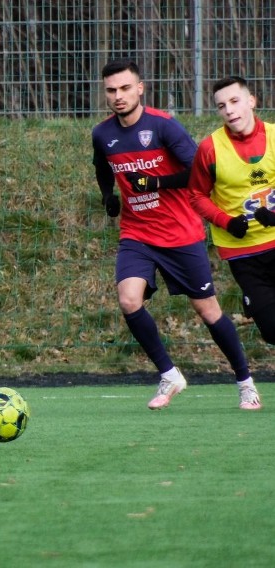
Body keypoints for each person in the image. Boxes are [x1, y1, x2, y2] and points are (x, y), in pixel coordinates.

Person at [91, 60, 260, 411]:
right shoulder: (102, 134)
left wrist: (156, 182)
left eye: (125, 88)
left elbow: (198, 174)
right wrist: (109, 196)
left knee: (208, 310)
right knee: (128, 300)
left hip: (181, 233)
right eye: (111, 90)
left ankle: (245, 381)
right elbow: (102, 166)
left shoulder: (164, 127)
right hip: (137, 233)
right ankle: (169, 374)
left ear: (140, 88)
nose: (118, 96)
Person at [188, 76, 275, 352]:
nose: (229, 110)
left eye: (235, 101)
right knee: (271, 329)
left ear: (251, 101)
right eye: (221, 105)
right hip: (244, 253)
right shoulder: (210, 149)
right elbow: (196, 195)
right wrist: (227, 221)